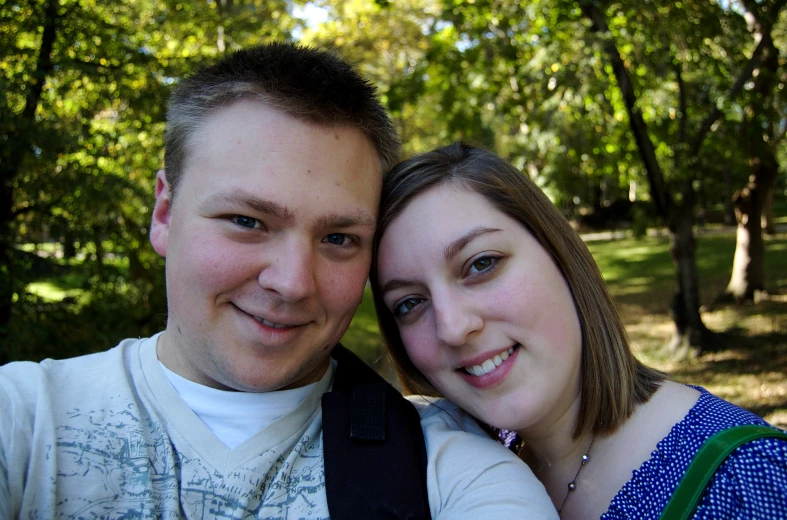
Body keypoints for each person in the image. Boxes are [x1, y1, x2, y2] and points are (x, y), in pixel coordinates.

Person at [0, 47, 559, 519]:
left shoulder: (444, 465)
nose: (293, 283)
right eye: (248, 222)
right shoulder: (25, 420)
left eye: (338, 238)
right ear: (165, 214)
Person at [372, 142, 787, 520]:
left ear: (560, 254)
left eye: (481, 263)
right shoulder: (451, 476)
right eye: (409, 303)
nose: (453, 327)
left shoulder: (748, 484)